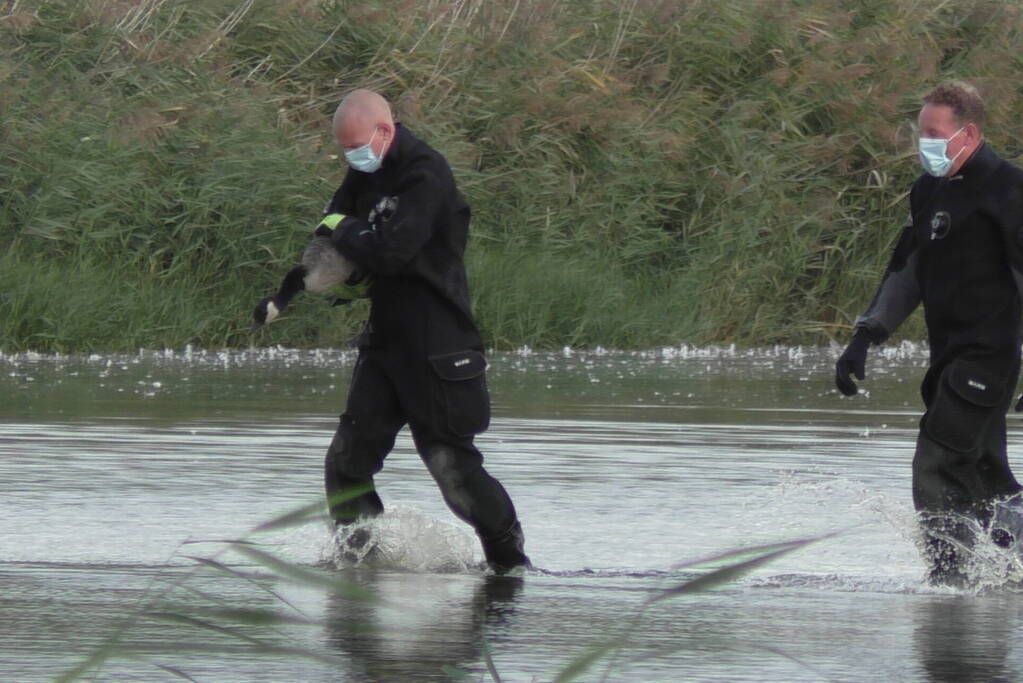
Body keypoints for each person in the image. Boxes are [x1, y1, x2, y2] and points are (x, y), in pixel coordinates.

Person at [315, 88, 529, 573]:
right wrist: (346, 244)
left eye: (357, 147)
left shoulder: (427, 174)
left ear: (384, 130)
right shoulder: (364, 170)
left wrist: (348, 232)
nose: (353, 158)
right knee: (346, 462)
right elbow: (328, 228)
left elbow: (391, 252)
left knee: (452, 467)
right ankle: (359, 565)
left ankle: (511, 566)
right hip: (384, 343)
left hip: (439, 344)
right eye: (346, 150)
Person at [835, 80, 1023, 585]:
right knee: (984, 477)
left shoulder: (1010, 190)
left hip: (989, 357)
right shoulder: (928, 190)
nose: (926, 145)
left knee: (936, 464)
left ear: (969, 133)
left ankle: (950, 585)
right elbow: (908, 269)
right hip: (947, 357)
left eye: (936, 135)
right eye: (922, 133)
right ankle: (1006, 579)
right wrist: (865, 337)